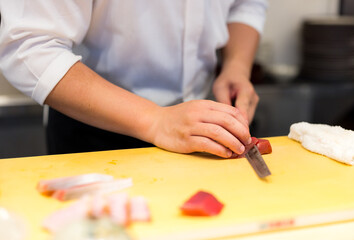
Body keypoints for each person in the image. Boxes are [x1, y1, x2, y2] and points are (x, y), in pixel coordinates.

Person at [0, 1, 268, 158]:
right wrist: (155, 120)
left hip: (204, 128)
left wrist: (236, 65)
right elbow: (29, 46)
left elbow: (246, 4)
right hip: (95, 134)